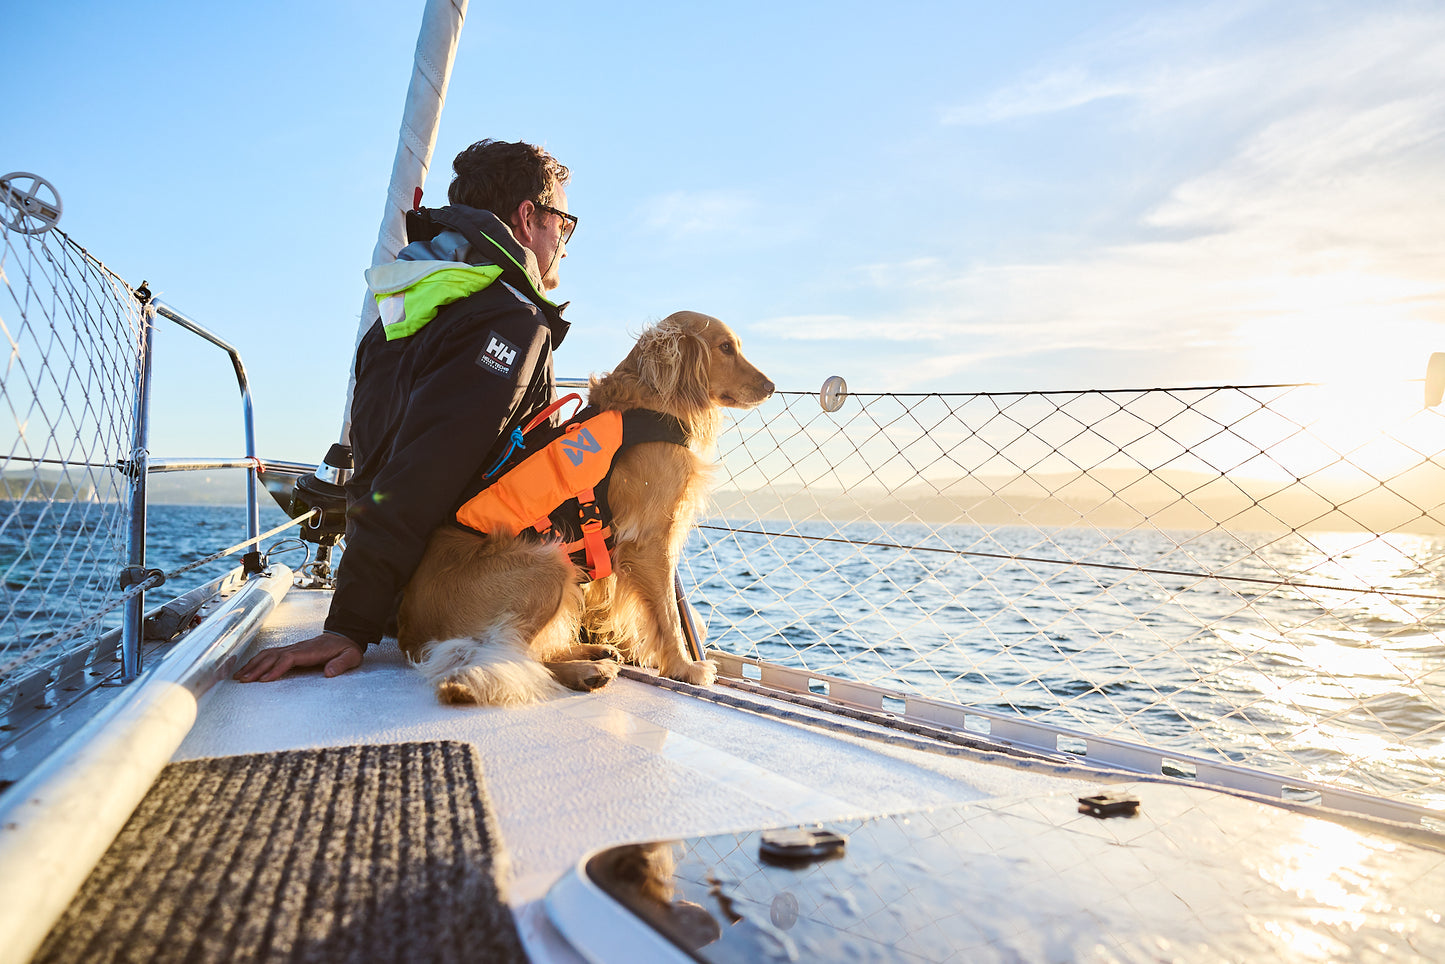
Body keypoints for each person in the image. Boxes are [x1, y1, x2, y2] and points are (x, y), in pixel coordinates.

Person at [236, 139, 576, 682]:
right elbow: (423, 470)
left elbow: (389, 460)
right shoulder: (507, 319)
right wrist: (348, 625)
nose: (564, 239)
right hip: (455, 596)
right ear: (528, 215)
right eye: (563, 220)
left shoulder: (410, 306)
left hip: (407, 594)